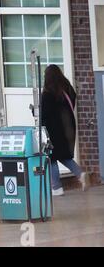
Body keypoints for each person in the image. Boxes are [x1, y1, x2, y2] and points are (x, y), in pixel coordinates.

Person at [41, 64, 89, 196]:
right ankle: (81, 174)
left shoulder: (47, 93)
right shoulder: (67, 88)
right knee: (64, 155)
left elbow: (44, 115)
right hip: (68, 127)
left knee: (51, 157)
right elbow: (72, 102)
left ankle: (56, 187)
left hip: (53, 130)